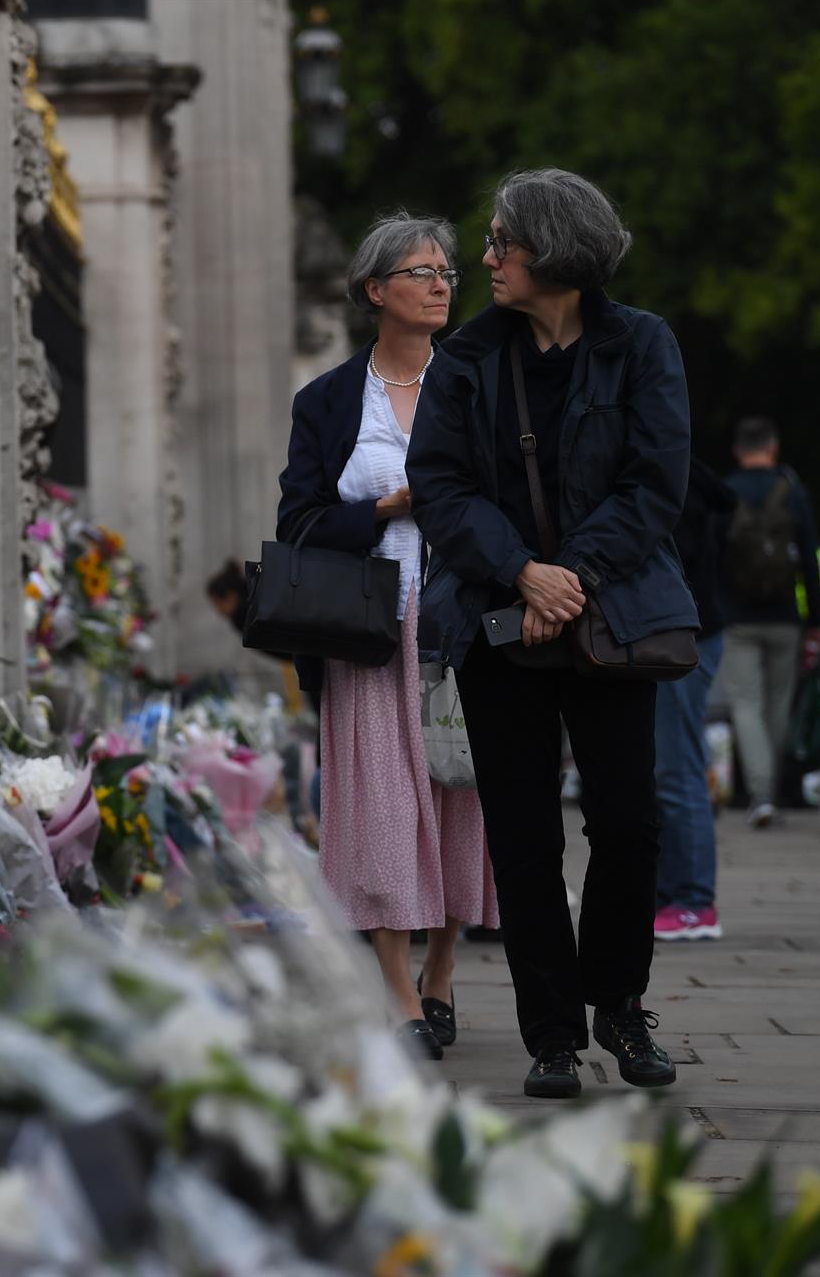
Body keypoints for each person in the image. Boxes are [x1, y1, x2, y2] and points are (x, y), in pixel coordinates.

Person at [408, 169, 694, 1099]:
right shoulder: (464, 359)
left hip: (609, 614)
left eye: (501, 242)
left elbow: (656, 483)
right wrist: (524, 572)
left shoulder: (642, 344)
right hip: (500, 618)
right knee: (524, 836)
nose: (483, 258)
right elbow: (441, 487)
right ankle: (551, 1037)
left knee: (627, 823)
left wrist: (569, 575)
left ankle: (618, 1003)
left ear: (554, 250)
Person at [277, 212, 498, 1063]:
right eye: (422, 270)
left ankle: (442, 969)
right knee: (380, 806)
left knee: (457, 795)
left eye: (448, 270)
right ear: (377, 290)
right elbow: (297, 522)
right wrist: (385, 508)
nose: (443, 282)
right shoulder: (329, 401)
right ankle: (398, 987)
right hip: (368, 626)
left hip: (461, 625)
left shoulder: (476, 383)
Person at [720, 416, 820, 827]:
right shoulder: (794, 493)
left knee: (745, 703)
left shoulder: (727, 491)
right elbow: (811, 562)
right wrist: (815, 619)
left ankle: (760, 794)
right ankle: (772, 789)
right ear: (774, 447)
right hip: (786, 618)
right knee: (778, 705)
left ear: (737, 450)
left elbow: (715, 559)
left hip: (738, 619)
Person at [653, 458, 736, 941]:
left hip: (682, 637)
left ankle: (693, 902)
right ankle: (677, 895)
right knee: (672, 765)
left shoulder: (672, 474)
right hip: (688, 633)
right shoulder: (689, 470)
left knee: (678, 768)